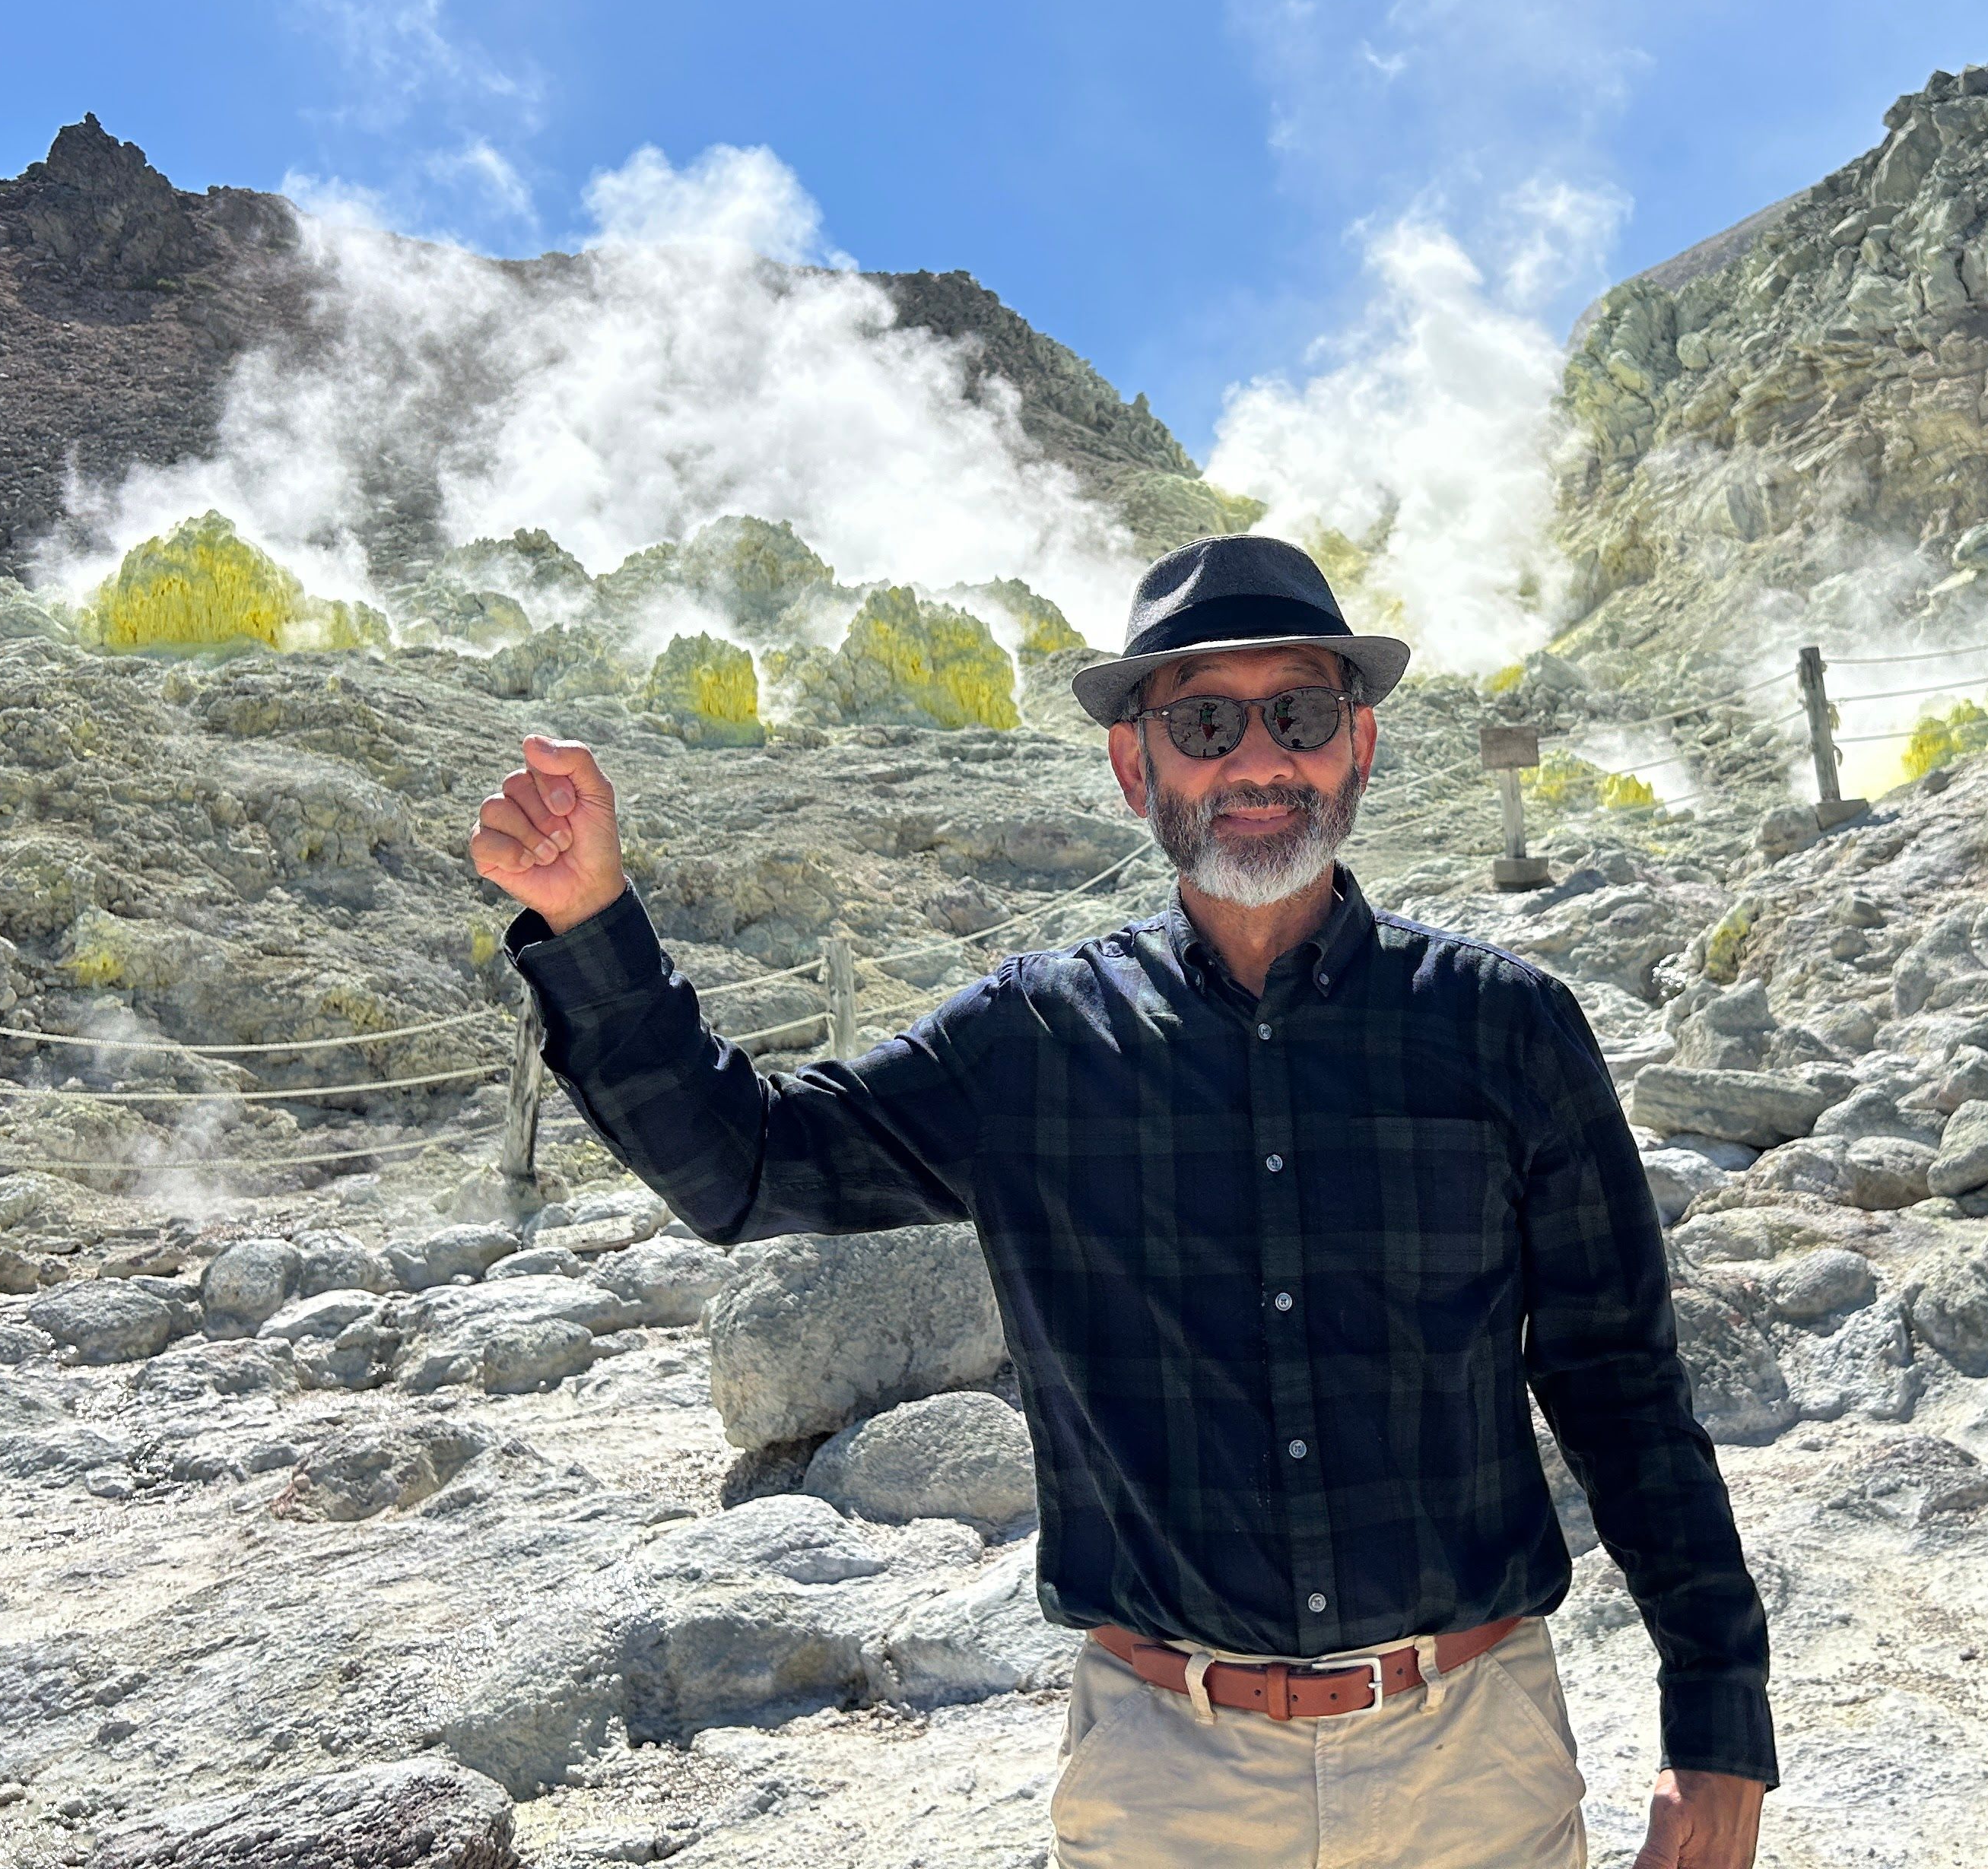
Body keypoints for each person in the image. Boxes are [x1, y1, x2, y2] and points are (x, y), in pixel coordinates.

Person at [468, 535, 1775, 1869]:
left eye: (1300, 711)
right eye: (1204, 717)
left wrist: (1717, 1717)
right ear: (1132, 762)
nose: (1258, 756)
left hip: (1473, 1762)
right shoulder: (1032, 1040)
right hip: (1165, 1776)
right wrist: (589, 923)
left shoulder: (1507, 1029)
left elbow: (1621, 1385)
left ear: (1358, 742)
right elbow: (745, 1164)